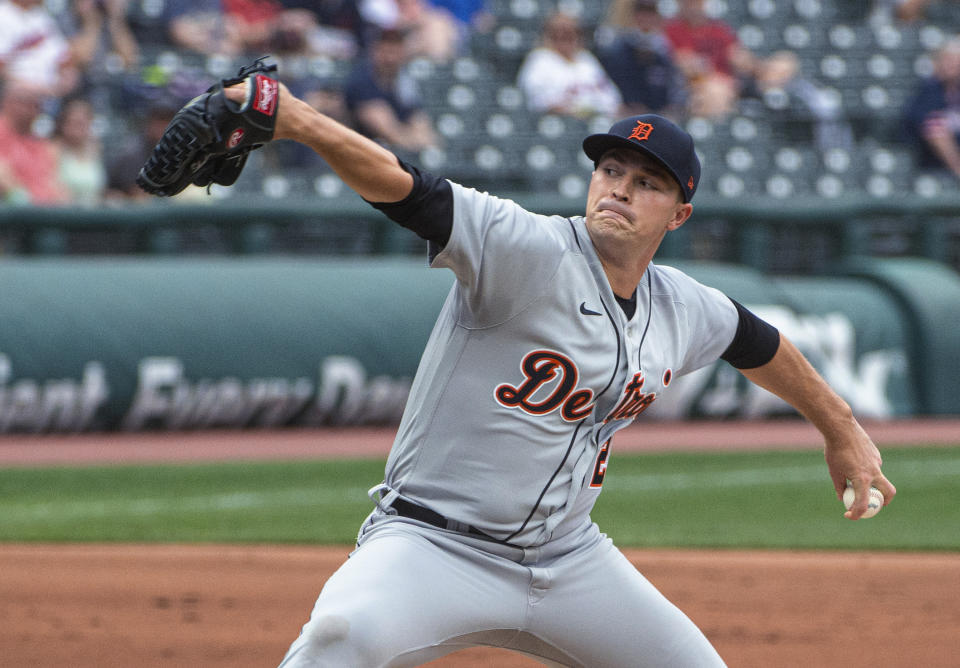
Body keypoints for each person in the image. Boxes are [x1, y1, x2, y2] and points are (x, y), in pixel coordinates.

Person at [223, 75, 896, 666]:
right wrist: (297, 121)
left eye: (646, 183)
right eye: (610, 171)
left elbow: (759, 342)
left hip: (570, 560)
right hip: (432, 544)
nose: (619, 190)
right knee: (339, 640)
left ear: (679, 215)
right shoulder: (528, 248)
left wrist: (842, 431)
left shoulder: (683, 306)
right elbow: (410, 192)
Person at [342, 26, 439, 153]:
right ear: (374, 51)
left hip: (392, 156)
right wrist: (417, 143)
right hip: (358, 154)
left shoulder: (404, 81)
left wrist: (426, 143)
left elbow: (419, 121)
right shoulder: (361, 80)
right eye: (385, 51)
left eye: (395, 51)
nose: (390, 59)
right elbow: (387, 130)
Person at [517, 11, 623, 119]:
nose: (563, 36)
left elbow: (612, 99)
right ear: (548, 34)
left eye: (569, 32)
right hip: (559, 123)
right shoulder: (539, 59)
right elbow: (538, 102)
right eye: (557, 32)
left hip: (597, 121)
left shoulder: (586, 59)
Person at [663, 0, 758, 118]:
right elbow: (684, 63)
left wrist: (750, 64)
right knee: (715, 91)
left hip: (727, 86)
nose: (693, 6)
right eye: (689, 2)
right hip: (690, 88)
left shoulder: (718, 28)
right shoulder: (672, 29)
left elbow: (738, 55)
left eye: (698, 2)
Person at [596, 0, 688, 120]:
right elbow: (611, 86)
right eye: (642, 13)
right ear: (634, 16)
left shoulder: (663, 50)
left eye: (651, 13)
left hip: (660, 115)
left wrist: (672, 107)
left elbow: (673, 88)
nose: (646, 18)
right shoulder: (618, 49)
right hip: (628, 115)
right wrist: (629, 104)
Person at [0, 78, 67, 204]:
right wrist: (23, 199)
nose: (34, 109)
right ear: (7, 102)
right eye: (27, 102)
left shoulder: (41, 143)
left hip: (45, 214)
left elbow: (53, 181)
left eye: (37, 104)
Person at [903, 36, 960, 180]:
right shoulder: (929, 91)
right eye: (947, 60)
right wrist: (958, 167)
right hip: (932, 169)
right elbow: (935, 132)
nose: (951, 65)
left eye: (955, 61)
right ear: (937, 63)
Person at [52, 97, 106, 206]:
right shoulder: (52, 150)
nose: (78, 128)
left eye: (82, 123)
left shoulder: (96, 150)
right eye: (74, 123)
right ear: (63, 124)